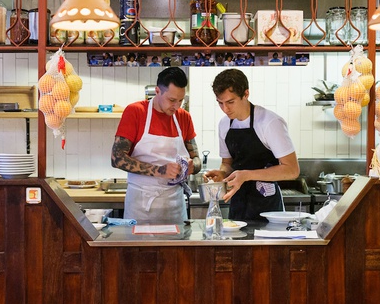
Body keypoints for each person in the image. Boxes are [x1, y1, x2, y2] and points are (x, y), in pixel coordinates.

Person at [205, 69, 299, 221]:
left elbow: (292, 170)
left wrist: (247, 175)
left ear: (246, 94)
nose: (225, 109)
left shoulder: (270, 122)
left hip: (268, 207)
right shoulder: (224, 124)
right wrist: (222, 174)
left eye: (230, 102)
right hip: (238, 204)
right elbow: (227, 164)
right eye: (220, 103)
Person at [111, 67, 201, 221]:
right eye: (172, 100)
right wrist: (159, 171)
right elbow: (117, 158)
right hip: (141, 205)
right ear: (157, 91)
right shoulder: (136, 112)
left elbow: (197, 159)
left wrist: (192, 166)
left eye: (180, 100)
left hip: (175, 205)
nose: (177, 106)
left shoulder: (184, 117)